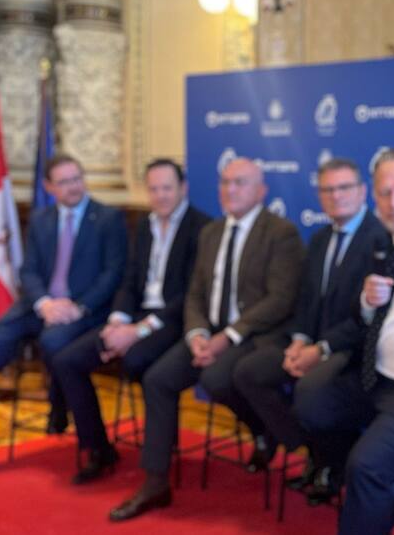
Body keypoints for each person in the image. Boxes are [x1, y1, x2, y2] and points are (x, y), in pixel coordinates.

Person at [108, 157, 306, 521]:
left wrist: (227, 337)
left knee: (217, 378)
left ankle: (268, 430)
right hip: (207, 331)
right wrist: (198, 333)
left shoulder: (280, 233)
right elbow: (195, 293)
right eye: (225, 182)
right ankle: (156, 482)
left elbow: (279, 300)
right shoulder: (211, 232)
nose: (230, 190)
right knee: (158, 379)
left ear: (260, 191)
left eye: (240, 183)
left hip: (253, 334)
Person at [0, 153, 128, 479]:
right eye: (64, 182)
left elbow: (113, 273)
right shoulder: (42, 219)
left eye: (77, 178)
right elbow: (28, 270)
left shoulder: (108, 218)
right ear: (49, 187)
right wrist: (44, 302)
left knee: (55, 344)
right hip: (38, 307)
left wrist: (79, 307)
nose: (74, 187)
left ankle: (93, 444)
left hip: (83, 309)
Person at [296, 148, 394, 534]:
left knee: (366, 466)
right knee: (310, 400)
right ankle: (385, 487)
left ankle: (381, 492)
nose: (393, 202)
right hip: (373, 374)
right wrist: (366, 304)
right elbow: (361, 318)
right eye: (384, 193)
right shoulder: (383, 241)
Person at [49, 158, 210, 484]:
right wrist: (116, 322)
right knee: (66, 361)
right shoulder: (144, 225)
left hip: (173, 321)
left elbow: (192, 295)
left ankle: (157, 460)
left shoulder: (202, 228)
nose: (161, 195)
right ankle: (98, 449)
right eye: (154, 189)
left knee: (138, 360)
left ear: (183, 188)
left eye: (167, 188)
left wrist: (137, 332)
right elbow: (129, 281)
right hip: (135, 317)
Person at [231, 157, 386, 486]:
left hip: (353, 350)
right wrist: (300, 341)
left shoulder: (381, 240)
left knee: (310, 392)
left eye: (344, 187)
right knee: (249, 371)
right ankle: (310, 448)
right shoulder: (318, 240)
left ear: (362, 191)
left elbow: (370, 319)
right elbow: (304, 301)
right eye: (327, 189)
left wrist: (322, 349)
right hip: (310, 344)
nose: (336, 195)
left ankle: (332, 463)